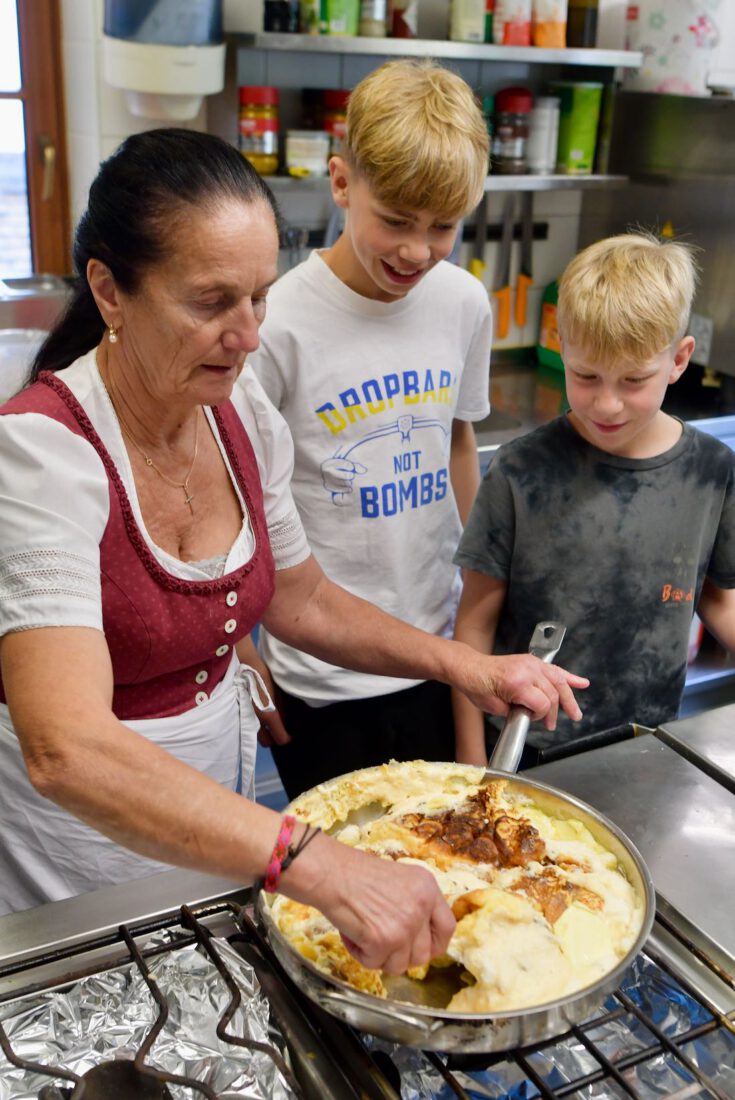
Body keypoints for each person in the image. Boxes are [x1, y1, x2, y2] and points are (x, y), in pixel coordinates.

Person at [0, 129, 586, 970]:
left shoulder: (242, 420)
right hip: (74, 856)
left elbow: (301, 599)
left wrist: (464, 666)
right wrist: (310, 858)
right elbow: (67, 748)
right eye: (210, 302)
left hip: (219, 811)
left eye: (260, 298)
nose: (246, 336)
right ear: (109, 291)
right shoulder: (39, 455)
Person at [248, 59, 501, 798]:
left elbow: (458, 442)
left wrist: (472, 600)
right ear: (339, 182)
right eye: (394, 220)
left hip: (433, 650)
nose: (416, 251)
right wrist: (237, 645)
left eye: (442, 228)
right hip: (319, 678)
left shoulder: (462, 303)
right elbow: (235, 497)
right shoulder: (277, 323)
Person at [453, 231, 735, 767]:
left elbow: (718, 601)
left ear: (679, 359)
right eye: (585, 376)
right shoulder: (520, 471)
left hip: (650, 745)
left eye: (634, 379)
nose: (606, 404)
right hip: (525, 748)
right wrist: (471, 758)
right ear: (562, 345)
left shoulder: (711, 472)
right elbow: (472, 628)